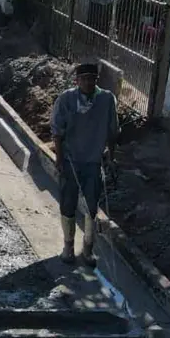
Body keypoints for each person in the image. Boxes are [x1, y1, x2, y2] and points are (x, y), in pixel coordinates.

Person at [50, 63, 119, 266]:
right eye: (84, 79)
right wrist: (59, 159)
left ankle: (88, 249)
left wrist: (111, 157)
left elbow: (112, 130)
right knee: (68, 203)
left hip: (93, 161)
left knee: (91, 207)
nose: (88, 82)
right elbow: (57, 131)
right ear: (77, 81)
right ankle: (68, 247)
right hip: (70, 160)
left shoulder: (106, 99)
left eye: (92, 79)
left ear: (96, 80)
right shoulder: (66, 99)